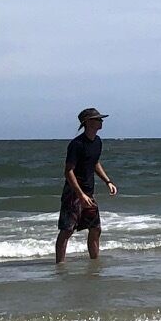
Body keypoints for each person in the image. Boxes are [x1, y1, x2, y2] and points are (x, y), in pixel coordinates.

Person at [54, 108, 117, 263]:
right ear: (88, 122)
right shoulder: (77, 144)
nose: (101, 121)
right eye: (98, 119)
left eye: (101, 119)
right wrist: (80, 194)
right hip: (74, 194)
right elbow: (68, 171)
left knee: (95, 229)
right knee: (66, 231)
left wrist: (107, 181)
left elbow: (94, 163)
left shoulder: (97, 142)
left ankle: (95, 263)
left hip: (89, 193)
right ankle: (60, 266)